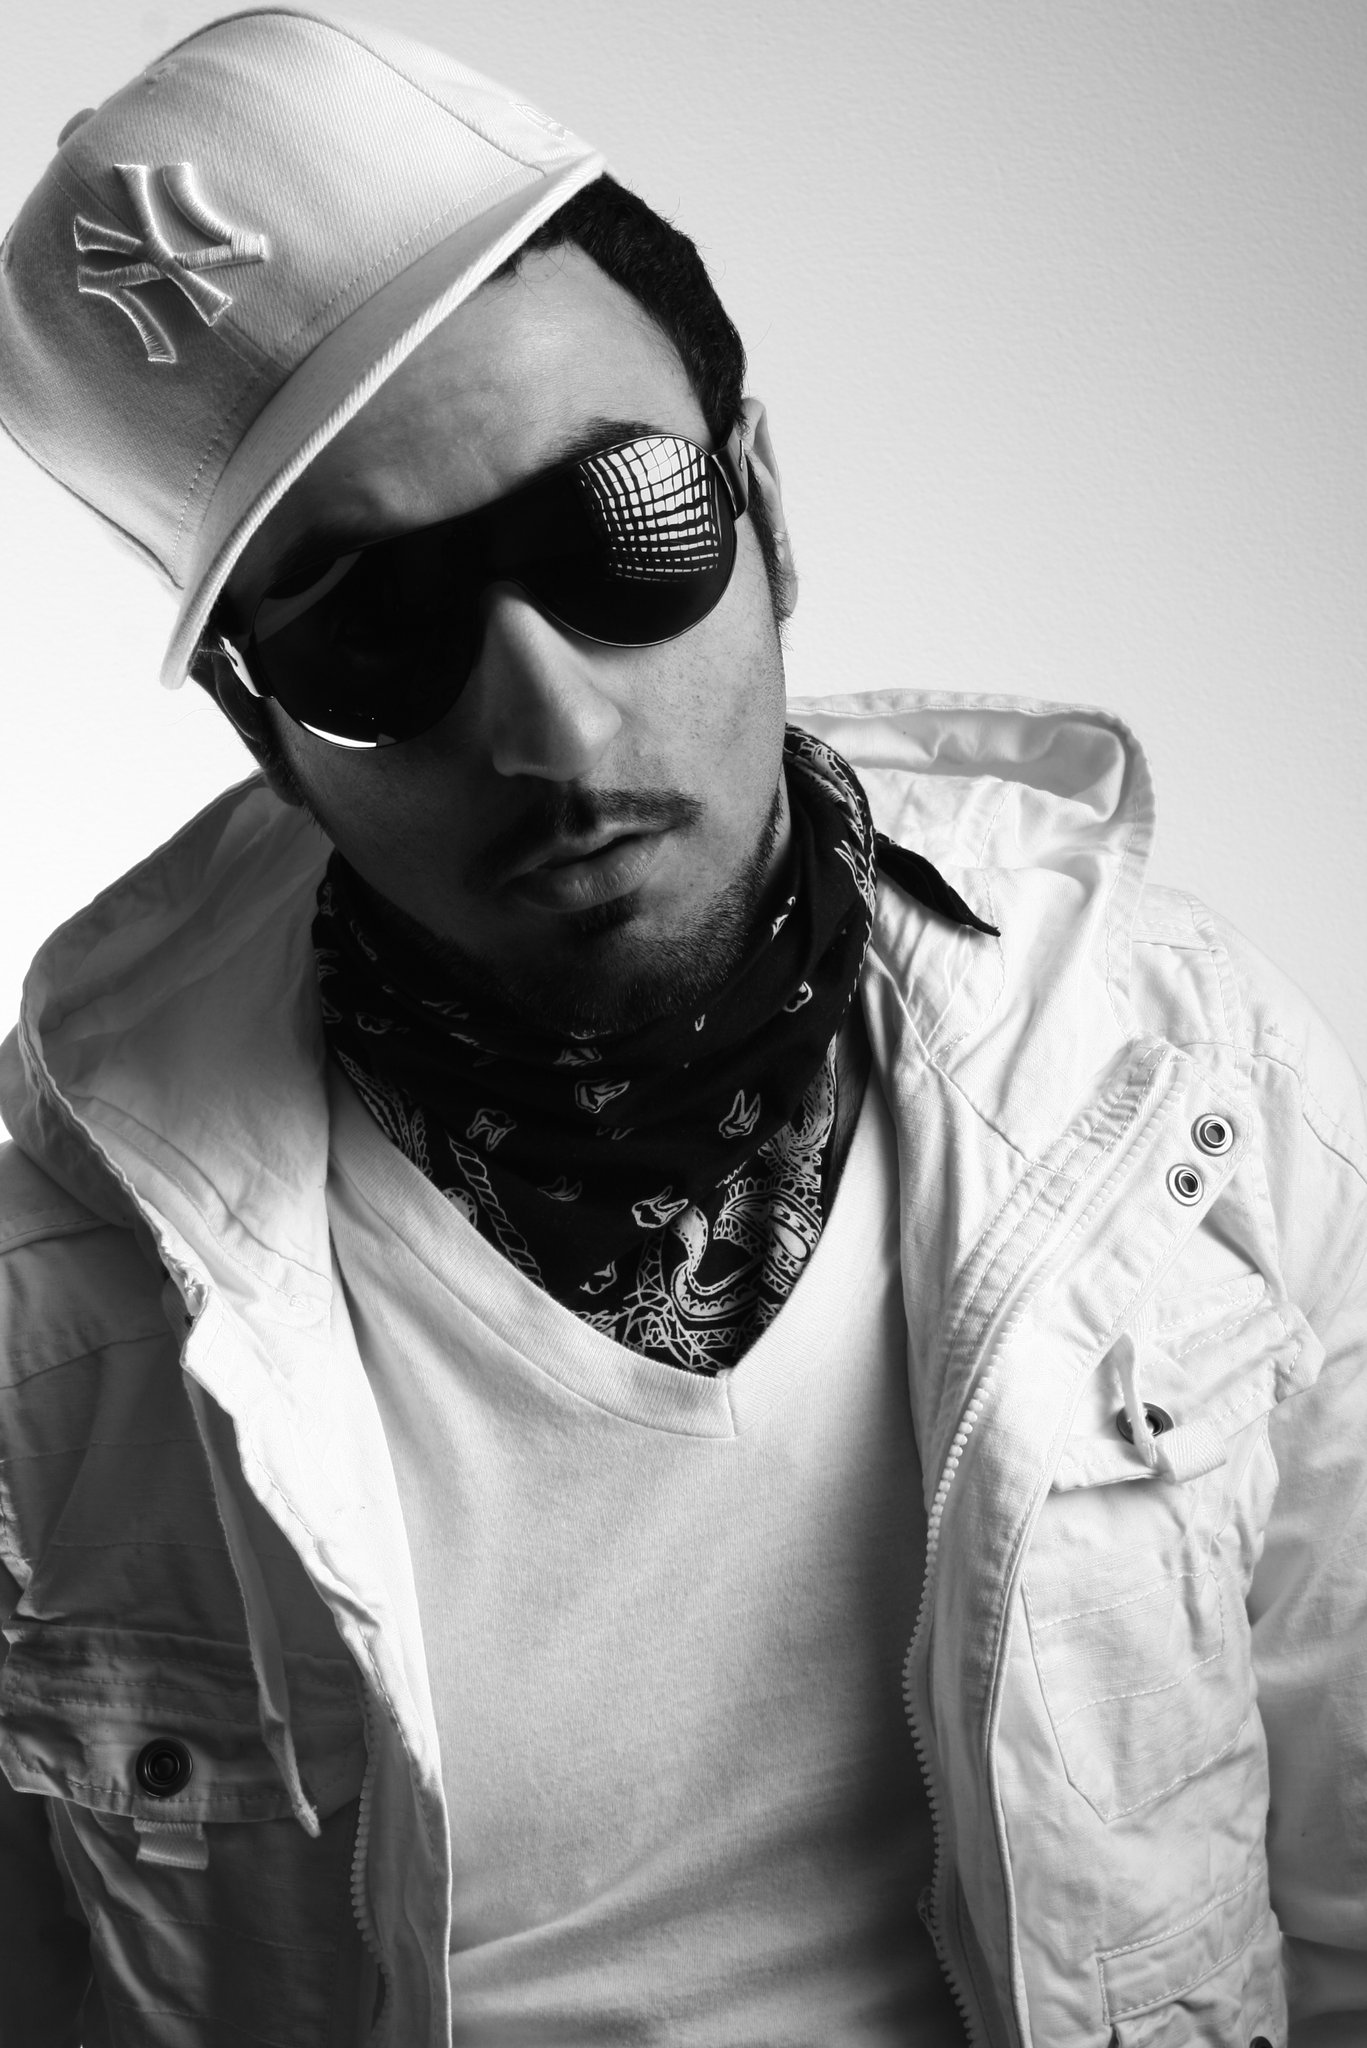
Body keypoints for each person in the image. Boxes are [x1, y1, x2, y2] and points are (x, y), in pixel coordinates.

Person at [0, 8, 1362, 2044]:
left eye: (617, 529)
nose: (549, 727)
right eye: (375, 633)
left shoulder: (1184, 1084)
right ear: (264, 733)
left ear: (764, 504)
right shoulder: (51, 1321)